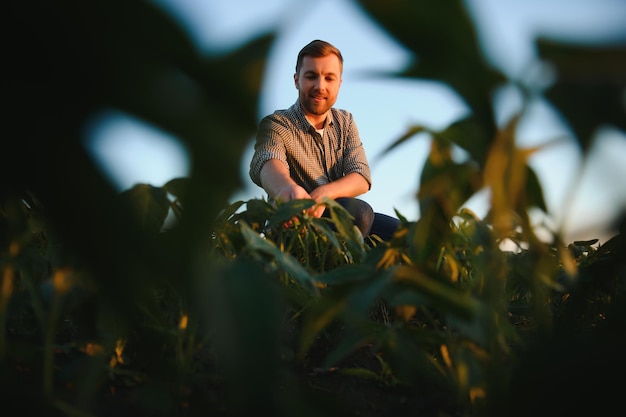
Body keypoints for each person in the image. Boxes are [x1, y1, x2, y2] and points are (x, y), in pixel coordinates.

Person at [249, 39, 400, 241]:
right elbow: (268, 161)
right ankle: (341, 270)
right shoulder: (277, 123)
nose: (320, 86)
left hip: (338, 212)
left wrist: (325, 193)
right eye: (311, 76)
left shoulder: (345, 122)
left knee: (406, 234)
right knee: (359, 213)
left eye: (329, 78)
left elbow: (361, 177)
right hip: (295, 224)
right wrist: (286, 189)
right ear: (296, 80)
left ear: (339, 83)